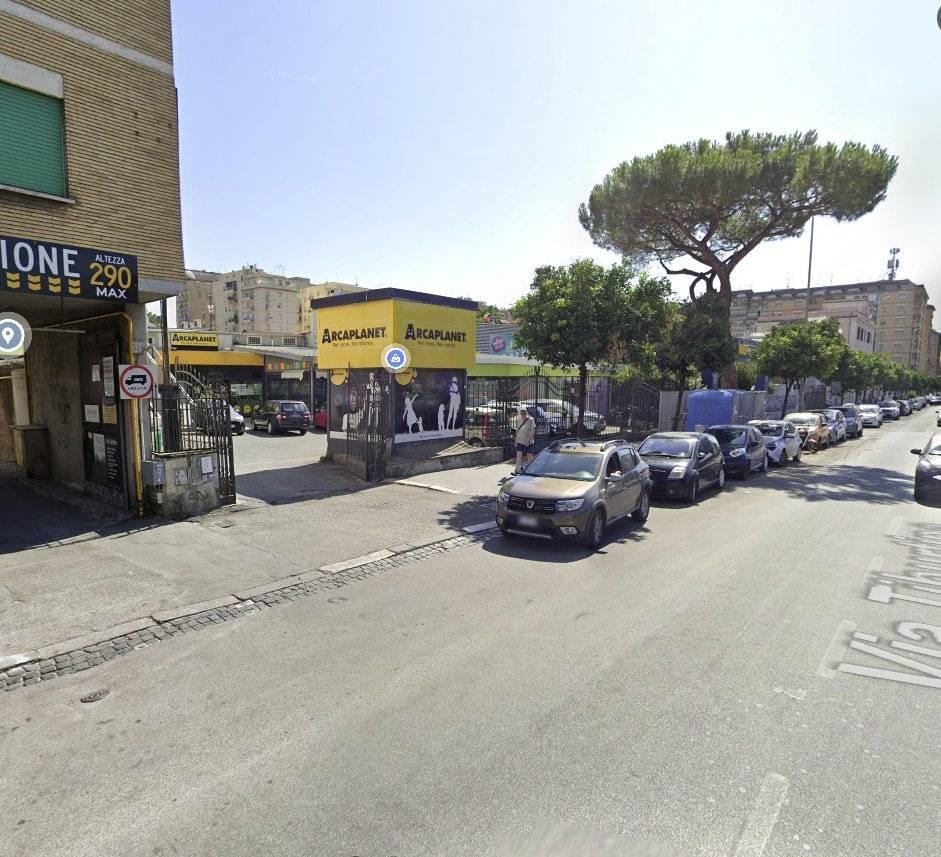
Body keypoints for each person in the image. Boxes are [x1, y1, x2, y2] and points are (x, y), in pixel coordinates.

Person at [514, 406, 536, 474]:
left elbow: (533, 431)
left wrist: (529, 440)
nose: (523, 415)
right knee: (519, 454)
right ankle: (517, 469)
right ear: (520, 413)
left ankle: (532, 468)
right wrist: (516, 440)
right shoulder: (519, 420)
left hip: (528, 441)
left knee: (529, 455)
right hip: (520, 441)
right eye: (522, 413)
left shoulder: (531, 420)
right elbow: (517, 431)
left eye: (524, 413)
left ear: (526, 413)